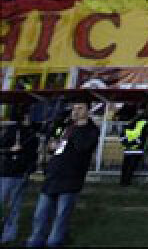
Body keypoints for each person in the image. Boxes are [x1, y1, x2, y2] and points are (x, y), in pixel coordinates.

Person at [25, 103, 99, 248]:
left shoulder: (91, 130)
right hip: (53, 176)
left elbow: (82, 147)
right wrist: (52, 144)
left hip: (71, 178)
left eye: (80, 108)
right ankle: (35, 241)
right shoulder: (66, 127)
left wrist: (75, 129)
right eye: (74, 108)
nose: (75, 111)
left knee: (61, 215)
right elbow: (54, 140)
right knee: (40, 214)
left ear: (88, 111)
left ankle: (54, 242)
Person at [2, 110, 40, 244]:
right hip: (6, 173)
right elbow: (2, 148)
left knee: (14, 206)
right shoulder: (12, 130)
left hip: (21, 174)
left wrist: (30, 168)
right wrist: (10, 150)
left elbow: (34, 154)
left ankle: (8, 235)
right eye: (27, 115)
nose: (30, 118)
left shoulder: (33, 133)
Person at [119, 105, 148, 186]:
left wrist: (126, 143)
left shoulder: (131, 120)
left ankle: (123, 181)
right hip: (137, 147)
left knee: (126, 164)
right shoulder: (145, 122)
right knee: (131, 165)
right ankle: (127, 181)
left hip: (128, 146)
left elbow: (123, 133)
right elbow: (144, 135)